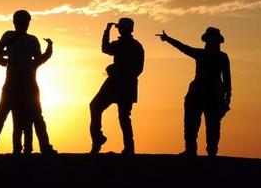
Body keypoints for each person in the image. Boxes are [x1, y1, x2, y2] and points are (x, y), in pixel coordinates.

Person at [0, 10, 57, 155]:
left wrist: (9, 62)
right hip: (24, 82)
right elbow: (39, 59)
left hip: (17, 81)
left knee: (2, 116)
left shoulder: (12, 37)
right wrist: (17, 62)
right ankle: (45, 148)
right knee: (35, 117)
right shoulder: (28, 39)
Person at [158, 26, 231, 157]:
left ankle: (211, 152)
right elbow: (184, 48)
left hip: (213, 94)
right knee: (191, 123)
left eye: (212, 40)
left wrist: (227, 97)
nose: (210, 43)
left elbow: (227, 78)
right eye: (209, 40)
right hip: (196, 92)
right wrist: (168, 39)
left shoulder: (222, 57)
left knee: (213, 126)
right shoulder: (201, 54)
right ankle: (191, 150)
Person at [90, 18, 145, 154]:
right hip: (122, 83)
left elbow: (105, 48)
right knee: (122, 115)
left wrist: (107, 31)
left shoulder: (128, 45)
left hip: (119, 83)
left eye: (121, 28)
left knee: (102, 108)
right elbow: (138, 69)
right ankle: (125, 147)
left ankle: (100, 140)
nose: (120, 30)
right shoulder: (135, 46)